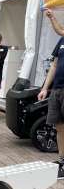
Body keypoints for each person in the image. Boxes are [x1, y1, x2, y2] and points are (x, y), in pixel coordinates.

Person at [38, 35, 64, 178]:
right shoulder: (62, 39)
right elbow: (54, 65)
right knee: (59, 126)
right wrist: (45, 88)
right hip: (57, 89)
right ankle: (62, 160)